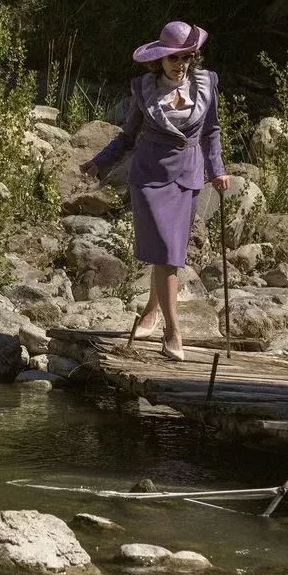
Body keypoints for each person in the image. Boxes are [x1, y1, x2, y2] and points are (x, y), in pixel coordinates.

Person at [81, 21, 230, 362]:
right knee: (167, 254)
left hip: (188, 177)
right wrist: (99, 162)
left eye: (187, 58)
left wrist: (217, 170)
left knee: (168, 253)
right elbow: (126, 136)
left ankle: (151, 310)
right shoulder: (144, 89)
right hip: (149, 176)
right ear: (160, 60)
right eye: (174, 59)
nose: (180, 65)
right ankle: (173, 332)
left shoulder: (206, 84)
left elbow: (211, 132)